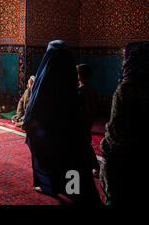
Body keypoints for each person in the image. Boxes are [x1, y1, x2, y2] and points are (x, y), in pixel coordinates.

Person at [22, 40, 101, 204]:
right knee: (71, 159)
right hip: (68, 129)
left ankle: (50, 185)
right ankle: (72, 189)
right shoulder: (70, 78)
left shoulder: (44, 79)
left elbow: (34, 107)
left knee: (48, 157)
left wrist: (29, 123)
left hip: (48, 130)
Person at [100, 41, 149, 205]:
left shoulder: (127, 89)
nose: (122, 61)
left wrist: (105, 148)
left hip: (125, 162)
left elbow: (116, 131)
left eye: (124, 58)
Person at [76, 64, 100, 177]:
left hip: (81, 121)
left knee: (85, 144)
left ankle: (95, 166)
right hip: (88, 120)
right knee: (84, 143)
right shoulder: (91, 89)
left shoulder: (80, 90)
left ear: (79, 75)